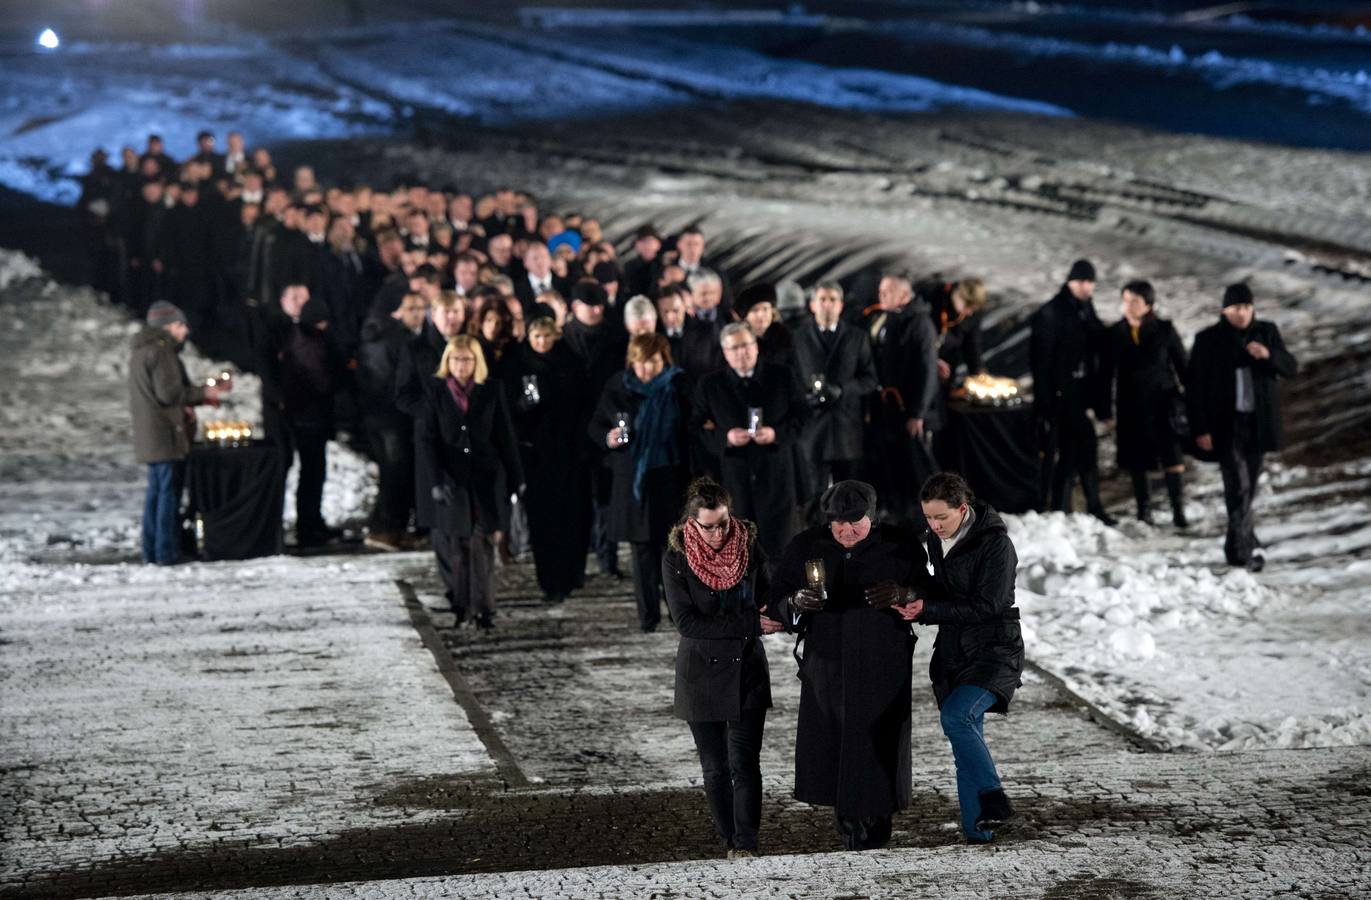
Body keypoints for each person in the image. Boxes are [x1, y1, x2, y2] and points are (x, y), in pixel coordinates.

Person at [766, 480, 926, 851]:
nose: (847, 532)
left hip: (883, 664)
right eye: (839, 524)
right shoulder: (807, 545)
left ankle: (878, 815)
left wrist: (905, 594)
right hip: (828, 662)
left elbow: (927, 590)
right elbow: (775, 598)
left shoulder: (899, 545)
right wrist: (795, 603)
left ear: (872, 517)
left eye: (855, 523)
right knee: (837, 741)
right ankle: (848, 821)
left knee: (878, 740)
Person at [910, 472, 1023, 845]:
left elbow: (991, 603)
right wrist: (912, 594)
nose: (934, 525)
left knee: (957, 716)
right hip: (955, 650)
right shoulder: (933, 539)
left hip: (994, 648)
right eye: (928, 517)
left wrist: (928, 608)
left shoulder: (996, 544)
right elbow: (944, 590)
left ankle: (994, 798)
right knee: (965, 737)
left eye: (941, 517)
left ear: (963, 508)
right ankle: (979, 831)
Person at [663, 477, 773, 858]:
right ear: (690, 523)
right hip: (701, 673)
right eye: (706, 526)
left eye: (722, 523)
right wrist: (750, 623)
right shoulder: (677, 557)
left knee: (745, 764)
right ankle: (728, 837)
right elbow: (687, 623)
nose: (715, 533)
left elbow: (768, 595)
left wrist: (782, 609)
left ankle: (746, 842)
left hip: (746, 669)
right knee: (715, 767)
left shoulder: (749, 544)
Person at [1186, 283, 1298, 572]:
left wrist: (1268, 355)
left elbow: (1290, 367)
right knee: (1238, 487)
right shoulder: (1208, 340)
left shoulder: (1267, 332)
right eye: (1236, 309)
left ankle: (1237, 541)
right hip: (1225, 425)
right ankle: (1242, 552)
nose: (1243, 314)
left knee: (1248, 489)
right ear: (1225, 310)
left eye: (1247, 308)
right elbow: (1194, 387)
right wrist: (1201, 428)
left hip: (1258, 423)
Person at [416, 336, 523, 629]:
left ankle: (485, 608)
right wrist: (435, 480)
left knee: (483, 543)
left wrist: (517, 478)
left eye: (466, 359)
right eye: (455, 359)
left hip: (486, 481)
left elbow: (505, 437)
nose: (461, 366)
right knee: (457, 546)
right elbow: (427, 440)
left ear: (476, 362)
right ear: (447, 362)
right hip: (453, 481)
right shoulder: (436, 391)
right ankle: (461, 607)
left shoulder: (491, 390)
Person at [590, 334, 691, 632]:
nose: (648, 368)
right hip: (633, 478)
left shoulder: (678, 385)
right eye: (642, 361)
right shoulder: (618, 387)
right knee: (642, 550)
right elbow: (595, 425)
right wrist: (608, 438)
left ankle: (677, 612)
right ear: (631, 361)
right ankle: (648, 616)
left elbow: (690, 426)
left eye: (654, 361)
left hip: (670, 476)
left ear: (665, 360)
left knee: (674, 549)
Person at [693, 323, 808, 559]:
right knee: (740, 549)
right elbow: (695, 428)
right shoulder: (710, 384)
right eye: (734, 348)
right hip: (734, 478)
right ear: (725, 352)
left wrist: (776, 433)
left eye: (745, 345)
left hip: (776, 473)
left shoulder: (782, 375)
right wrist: (725, 438)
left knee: (781, 548)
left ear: (756, 347)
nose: (741, 352)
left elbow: (803, 416)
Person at [128, 301, 228, 565]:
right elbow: (169, 393)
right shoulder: (162, 352)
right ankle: (167, 552)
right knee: (168, 494)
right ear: (168, 326)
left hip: (152, 434)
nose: (185, 331)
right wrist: (204, 393)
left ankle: (153, 551)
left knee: (156, 493)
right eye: (181, 325)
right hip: (165, 435)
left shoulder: (142, 351)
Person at [502, 317, 587, 604]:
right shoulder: (518, 365)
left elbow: (580, 406)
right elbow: (509, 411)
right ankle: (549, 581)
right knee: (542, 520)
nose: (541, 342)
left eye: (546, 336)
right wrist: (523, 407)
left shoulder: (569, 363)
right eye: (536, 336)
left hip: (567, 452)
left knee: (569, 517)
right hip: (535, 454)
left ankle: (570, 574)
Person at [1029, 259, 1115, 525]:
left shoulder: (1084, 307)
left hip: (1078, 390)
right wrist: (1045, 399)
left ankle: (1062, 508)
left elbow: (1095, 338)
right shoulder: (1052, 312)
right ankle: (1086, 507)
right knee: (1081, 445)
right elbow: (1040, 361)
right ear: (1070, 282)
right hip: (1060, 394)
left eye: (1090, 282)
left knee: (1072, 450)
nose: (1087, 287)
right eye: (1082, 282)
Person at [1099, 281, 1190, 526]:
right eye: (1125, 301)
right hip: (1131, 404)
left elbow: (1183, 367)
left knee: (1172, 458)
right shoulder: (1115, 333)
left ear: (1148, 304)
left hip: (1164, 403)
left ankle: (1178, 510)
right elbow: (1106, 374)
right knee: (1136, 459)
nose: (1128, 306)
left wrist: (1190, 403)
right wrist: (1105, 408)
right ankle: (1144, 510)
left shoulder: (1164, 330)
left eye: (1134, 301)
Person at [259, 284, 342, 548]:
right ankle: (278, 527)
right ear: (282, 300)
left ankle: (310, 523)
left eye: (302, 297)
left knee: (314, 469)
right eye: (292, 297)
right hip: (284, 413)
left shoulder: (318, 330)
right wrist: (280, 400)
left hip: (312, 413)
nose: (298, 302)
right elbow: (265, 368)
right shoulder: (273, 329)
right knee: (284, 468)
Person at [792, 282, 878, 522]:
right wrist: (804, 397)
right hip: (812, 427)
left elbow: (870, 379)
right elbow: (792, 377)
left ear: (841, 305)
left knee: (849, 495)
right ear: (812, 304)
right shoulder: (798, 337)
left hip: (845, 427)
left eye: (832, 299)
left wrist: (842, 389)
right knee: (813, 495)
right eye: (822, 299)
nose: (826, 305)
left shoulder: (857, 337)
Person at [865, 273, 939, 525]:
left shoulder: (919, 323)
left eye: (888, 291)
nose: (881, 296)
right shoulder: (885, 318)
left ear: (905, 296)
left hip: (908, 408)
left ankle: (922, 521)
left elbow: (927, 369)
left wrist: (917, 413)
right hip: (887, 408)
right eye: (880, 291)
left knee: (915, 468)